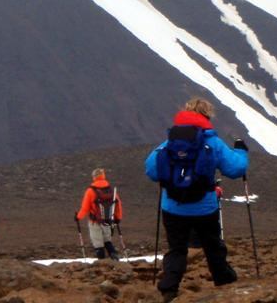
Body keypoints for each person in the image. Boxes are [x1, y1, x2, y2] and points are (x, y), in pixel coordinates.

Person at [145, 97, 248, 303]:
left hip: (172, 207)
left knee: (177, 249)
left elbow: (152, 169)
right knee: (213, 245)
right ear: (207, 116)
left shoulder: (170, 141)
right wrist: (240, 151)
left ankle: (169, 289)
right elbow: (236, 169)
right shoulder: (212, 141)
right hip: (205, 207)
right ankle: (224, 280)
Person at [75, 167, 123, 260]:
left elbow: (85, 208)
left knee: (98, 244)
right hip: (108, 220)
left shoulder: (90, 191)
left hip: (95, 221)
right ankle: (115, 260)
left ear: (94, 177)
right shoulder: (111, 190)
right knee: (107, 241)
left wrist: (78, 217)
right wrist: (118, 218)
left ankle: (102, 263)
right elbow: (118, 204)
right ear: (103, 176)